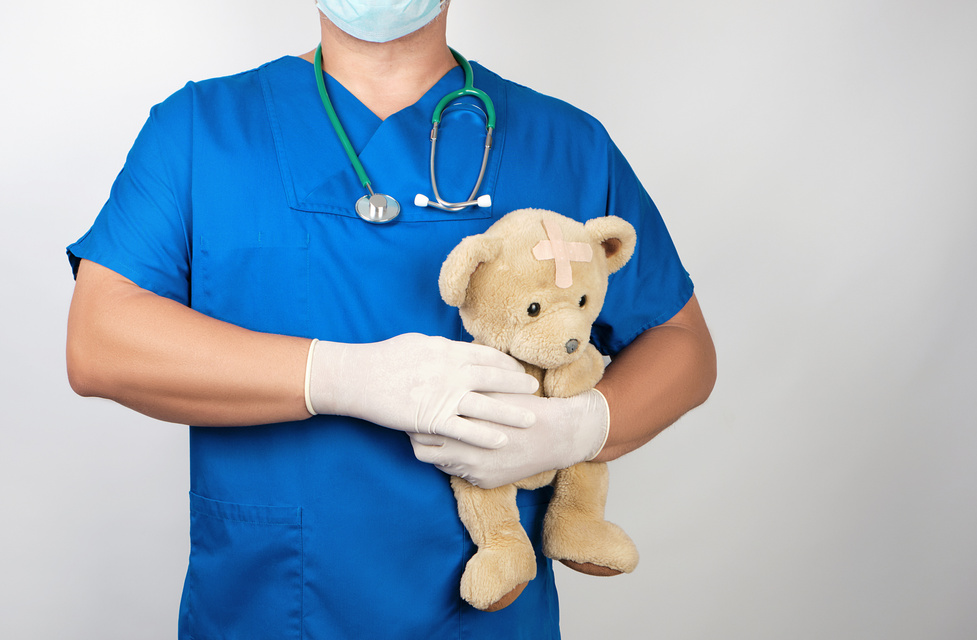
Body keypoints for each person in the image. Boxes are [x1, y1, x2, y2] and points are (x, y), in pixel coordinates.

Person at [66, 1, 716, 637]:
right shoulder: (201, 131)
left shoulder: (566, 146)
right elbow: (100, 339)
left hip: (488, 616)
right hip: (262, 610)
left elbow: (680, 341)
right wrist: (342, 376)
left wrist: (579, 429)